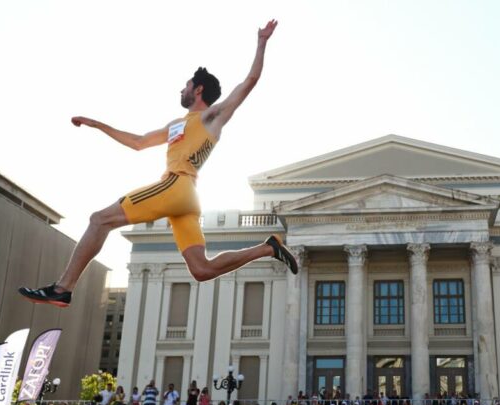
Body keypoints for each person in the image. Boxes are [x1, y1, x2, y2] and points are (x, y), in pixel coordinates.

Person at [18, 20, 296, 307]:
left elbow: (248, 82)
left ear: (198, 90)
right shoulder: (177, 125)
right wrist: (97, 124)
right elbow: (139, 142)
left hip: (177, 185)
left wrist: (261, 43)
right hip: (187, 201)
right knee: (201, 270)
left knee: (99, 219)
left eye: (186, 85)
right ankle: (268, 248)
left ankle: (63, 287)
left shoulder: (210, 117)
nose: (182, 89)